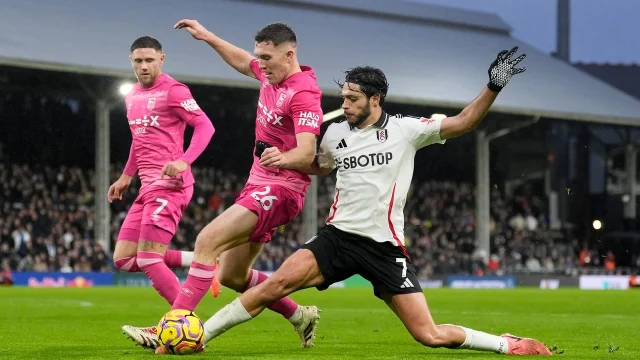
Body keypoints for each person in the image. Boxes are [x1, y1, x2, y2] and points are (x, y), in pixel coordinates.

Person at [189, 48, 553, 356]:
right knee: (273, 286)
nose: (344, 104)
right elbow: (318, 166)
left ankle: (508, 345)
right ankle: (198, 336)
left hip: (383, 248)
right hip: (338, 238)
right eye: (344, 97)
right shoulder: (335, 134)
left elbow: (465, 122)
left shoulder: (407, 131)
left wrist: (494, 84)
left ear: (375, 99)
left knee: (429, 335)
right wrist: (281, 157)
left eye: (352, 99)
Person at [128, 20, 323, 349]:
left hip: (282, 188)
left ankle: (170, 326)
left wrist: (282, 157)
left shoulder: (303, 92)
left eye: (266, 58)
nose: (260, 64)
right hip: (259, 184)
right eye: (259, 57)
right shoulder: (269, 72)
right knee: (233, 275)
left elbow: (307, 152)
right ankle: (298, 315)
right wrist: (208, 38)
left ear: (289, 55)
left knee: (207, 240)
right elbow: (240, 59)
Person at [112, 36, 215, 346]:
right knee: (124, 259)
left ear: (162, 59)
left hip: (170, 186)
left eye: (150, 60)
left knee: (146, 258)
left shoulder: (174, 91)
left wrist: (184, 161)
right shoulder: (131, 96)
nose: (144, 66)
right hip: (146, 187)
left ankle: (179, 327)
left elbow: (205, 126)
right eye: (138, 61)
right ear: (131, 62)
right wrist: (126, 176)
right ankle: (201, 261)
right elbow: (139, 139)